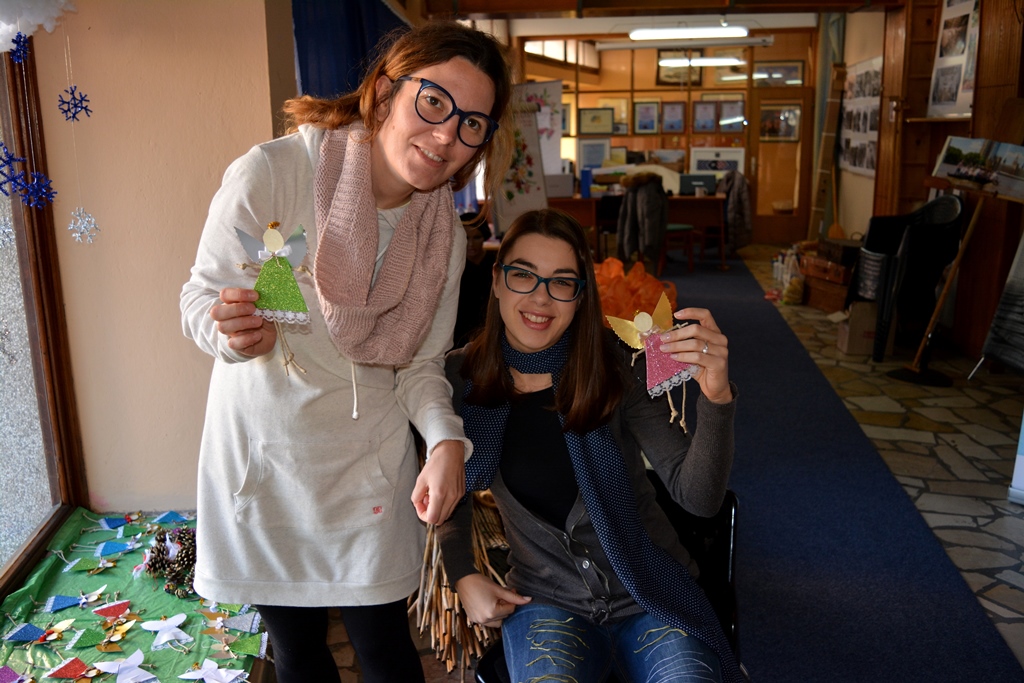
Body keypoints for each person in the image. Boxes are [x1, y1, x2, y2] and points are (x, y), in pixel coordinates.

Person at [179, 22, 513, 683]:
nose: (447, 135)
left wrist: (445, 442)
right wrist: (228, 332)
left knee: (386, 649)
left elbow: (420, 365)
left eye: (472, 123)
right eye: (434, 102)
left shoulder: (441, 236)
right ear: (385, 91)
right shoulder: (274, 173)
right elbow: (200, 298)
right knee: (299, 652)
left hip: (368, 472)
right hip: (268, 469)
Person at [437, 208, 745, 683]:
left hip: (649, 592)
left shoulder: (614, 365)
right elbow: (445, 490)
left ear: (580, 296)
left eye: (562, 282)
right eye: (524, 275)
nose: (541, 298)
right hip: (544, 602)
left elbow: (699, 499)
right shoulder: (461, 378)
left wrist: (717, 398)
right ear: (497, 280)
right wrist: (462, 575)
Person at [453, 211, 496, 348]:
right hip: (459, 335)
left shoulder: (496, 264)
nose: (470, 244)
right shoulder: (453, 267)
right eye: (466, 238)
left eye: (477, 237)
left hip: (491, 329)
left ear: (484, 237)